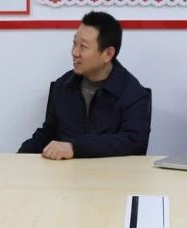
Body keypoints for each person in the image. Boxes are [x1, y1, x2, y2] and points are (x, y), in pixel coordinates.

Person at [18, 11, 151, 159]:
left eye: (83, 46)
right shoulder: (64, 85)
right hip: (65, 171)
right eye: (74, 43)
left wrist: (75, 148)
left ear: (108, 54)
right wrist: (18, 158)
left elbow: (134, 143)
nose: (75, 52)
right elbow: (48, 133)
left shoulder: (134, 94)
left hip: (112, 172)